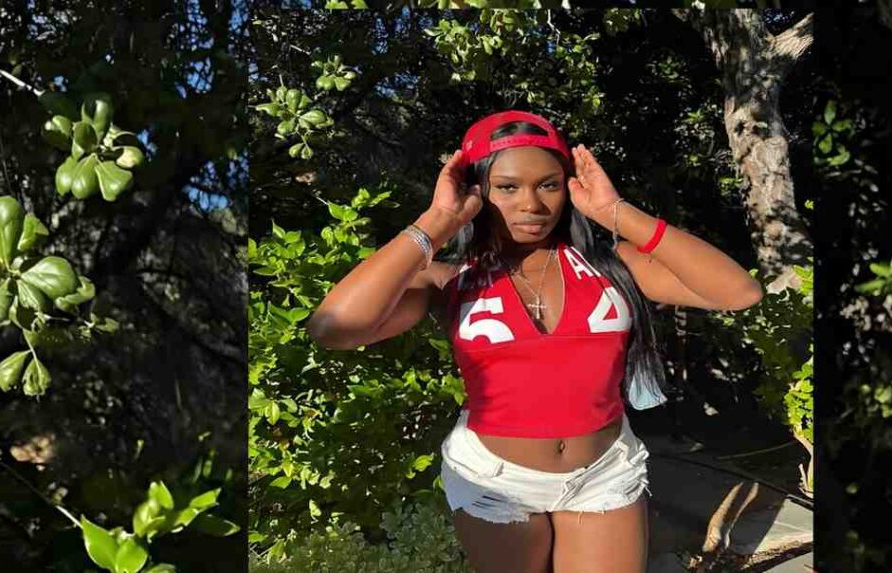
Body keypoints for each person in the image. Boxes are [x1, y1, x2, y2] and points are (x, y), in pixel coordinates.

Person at [306, 110, 763, 573]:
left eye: (548, 185)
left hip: (603, 473)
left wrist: (616, 213)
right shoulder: (449, 279)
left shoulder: (612, 266)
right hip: (495, 480)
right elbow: (334, 328)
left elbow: (739, 292)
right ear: (478, 190)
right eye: (507, 187)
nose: (532, 204)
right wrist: (437, 221)